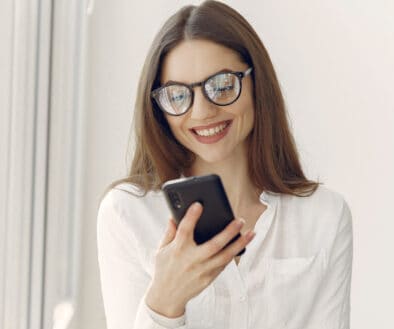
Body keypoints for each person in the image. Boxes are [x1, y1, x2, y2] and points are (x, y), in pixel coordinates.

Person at [96, 1, 353, 329]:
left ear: (257, 83)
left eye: (222, 86)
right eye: (177, 96)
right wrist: (164, 301)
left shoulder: (324, 216)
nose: (202, 112)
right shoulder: (128, 213)